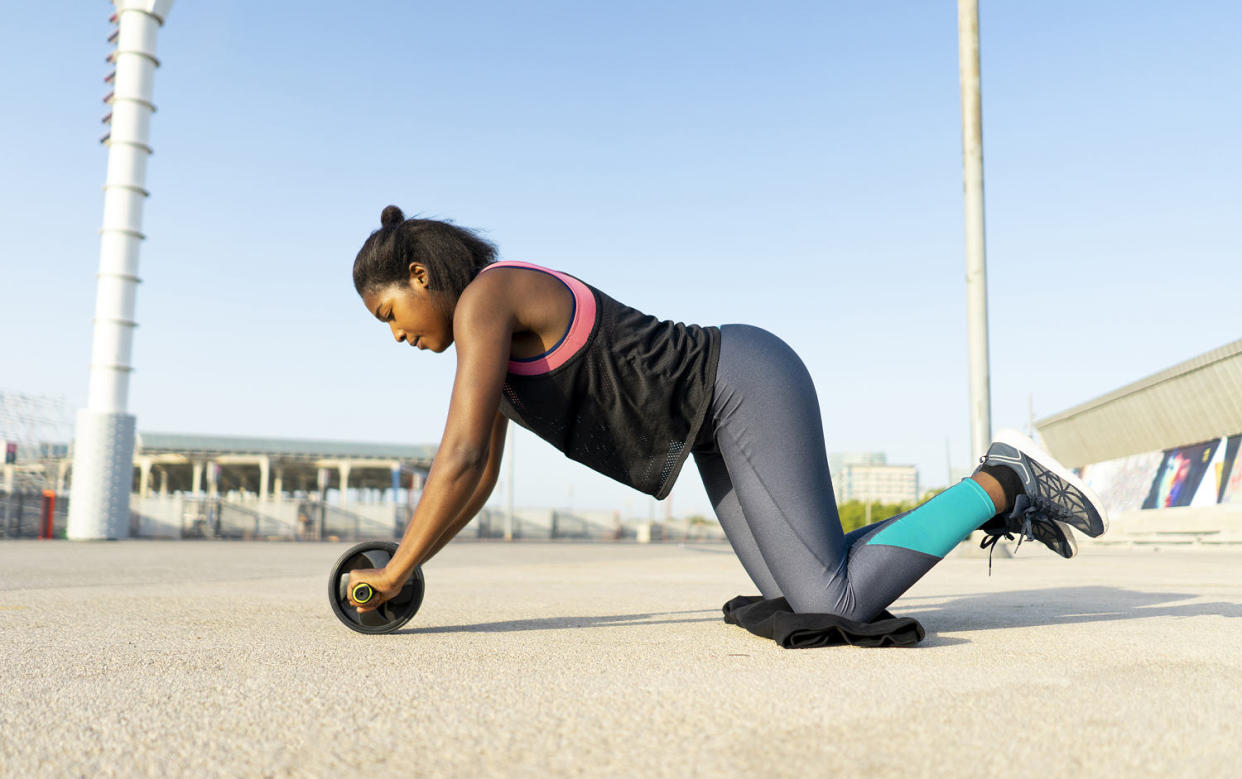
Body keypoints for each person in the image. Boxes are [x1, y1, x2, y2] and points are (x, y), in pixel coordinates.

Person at [346, 206, 1108, 626]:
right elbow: (476, 480)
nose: (398, 333)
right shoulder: (489, 341)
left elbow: (459, 457)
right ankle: (992, 489)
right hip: (711, 426)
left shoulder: (488, 296)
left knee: (831, 602)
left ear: (420, 276)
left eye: (390, 312)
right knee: (802, 587)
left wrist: (397, 570)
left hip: (744, 383)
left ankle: (1002, 481)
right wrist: (409, 567)